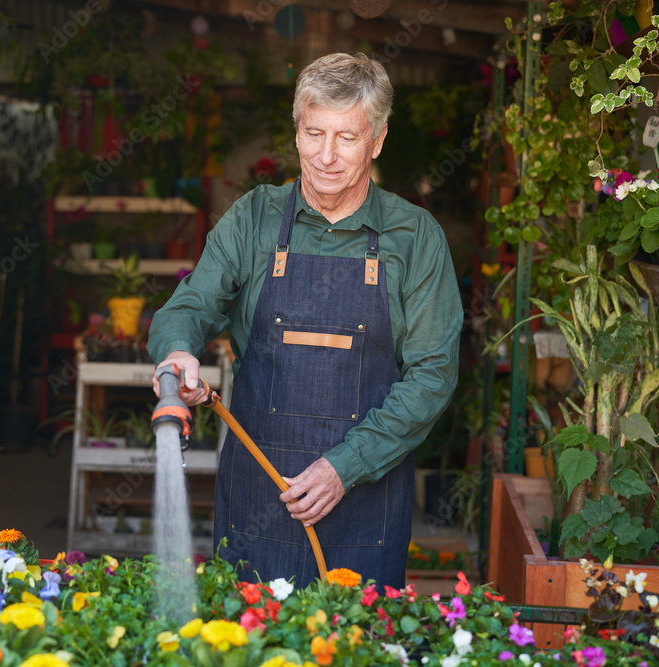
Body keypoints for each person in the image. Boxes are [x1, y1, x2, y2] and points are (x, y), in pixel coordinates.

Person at [148, 52, 462, 589]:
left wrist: (344, 467)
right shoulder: (253, 218)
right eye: (314, 133)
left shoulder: (415, 237)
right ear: (296, 132)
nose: (327, 156)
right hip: (257, 497)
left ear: (378, 140)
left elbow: (433, 375)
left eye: (347, 137)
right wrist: (178, 349)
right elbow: (190, 305)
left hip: (366, 502)